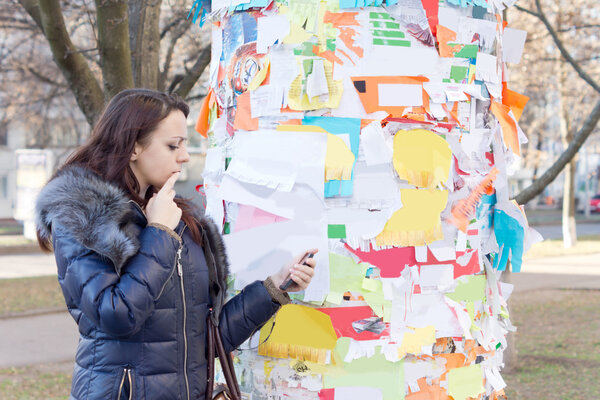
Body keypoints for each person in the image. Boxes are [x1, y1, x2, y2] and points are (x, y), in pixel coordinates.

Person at [35, 89, 317, 400]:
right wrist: (158, 231)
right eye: (173, 145)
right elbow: (115, 316)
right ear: (134, 147)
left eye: (183, 144)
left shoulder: (178, 217)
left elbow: (205, 339)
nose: (184, 155)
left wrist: (273, 287)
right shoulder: (85, 214)